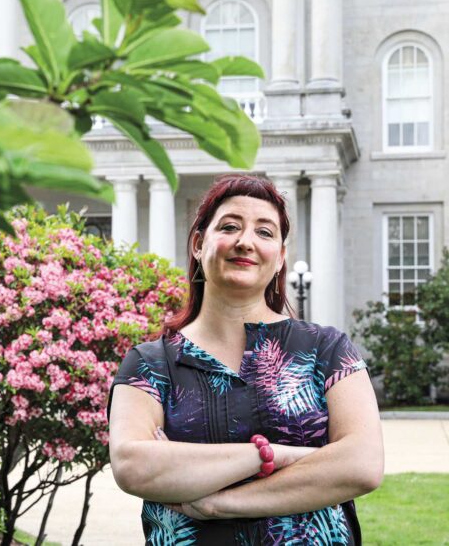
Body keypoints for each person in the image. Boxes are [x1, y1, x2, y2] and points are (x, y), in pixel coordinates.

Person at [107, 174, 384, 545]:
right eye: (230, 226)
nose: (245, 242)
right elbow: (134, 466)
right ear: (197, 244)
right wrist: (273, 456)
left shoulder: (326, 349)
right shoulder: (150, 363)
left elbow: (361, 465)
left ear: (281, 257)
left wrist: (218, 503)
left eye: (265, 232)